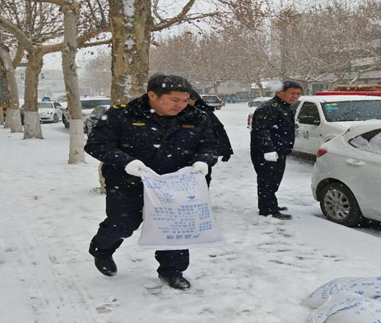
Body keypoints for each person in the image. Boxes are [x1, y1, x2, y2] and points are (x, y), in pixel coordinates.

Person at [84, 74, 219, 290]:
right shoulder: (122, 115)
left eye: (185, 100)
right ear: (153, 95)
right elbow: (96, 145)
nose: (181, 106)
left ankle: (172, 271)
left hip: (175, 187)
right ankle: (102, 250)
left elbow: (210, 146)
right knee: (122, 224)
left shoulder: (196, 117)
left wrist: (204, 161)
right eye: (175, 100)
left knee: (174, 229)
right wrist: (126, 162)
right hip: (129, 182)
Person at [250, 81, 302, 220]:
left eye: (298, 94)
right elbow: (261, 130)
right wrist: (268, 149)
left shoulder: (283, 106)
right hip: (268, 153)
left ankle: (271, 204)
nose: (295, 97)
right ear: (280, 92)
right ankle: (267, 210)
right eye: (292, 93)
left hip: (278, 151)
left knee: (274, 180)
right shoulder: (269, 108)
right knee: (267, 181)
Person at [189, 90, 234, 186]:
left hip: (202, 156)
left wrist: (226, 149)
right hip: (182, 155)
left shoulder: (204, 113)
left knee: (203, 182)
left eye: (191, 99)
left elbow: (218, 130)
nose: (189, 102)